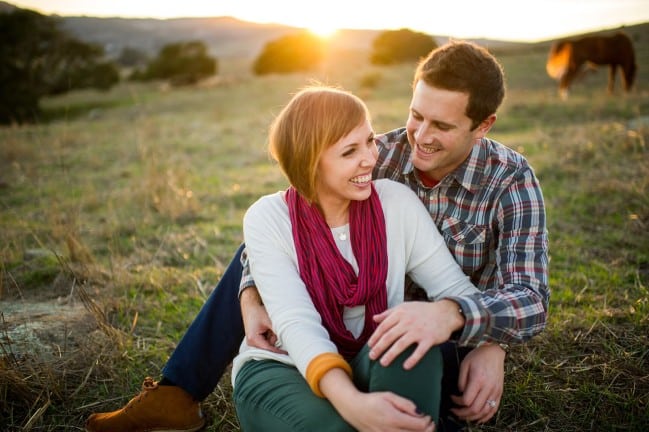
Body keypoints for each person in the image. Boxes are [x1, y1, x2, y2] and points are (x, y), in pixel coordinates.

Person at [85, 40, 549, 432]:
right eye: (416, 116)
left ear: (482, 126)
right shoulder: (375, 153)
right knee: (264, 261)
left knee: (419, 393)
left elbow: (529, 296)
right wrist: (250, 294)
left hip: (438, 333)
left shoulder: (508, 180)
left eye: (442, 126)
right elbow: (287, 227)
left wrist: (488, 342)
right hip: (326, 328)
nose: (420, 137)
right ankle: (178, 393)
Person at [233, 84, 482, 431]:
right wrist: (353, 404)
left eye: (369, 140)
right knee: (341, 427)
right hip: (284, 367)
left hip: (368, 356)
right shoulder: (267, 217)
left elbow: (456, 289)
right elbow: (296, 322)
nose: (370, 158)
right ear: (309, 161)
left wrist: (489, 345)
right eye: (350, 151)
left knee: (412, 335)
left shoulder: (396, 202)